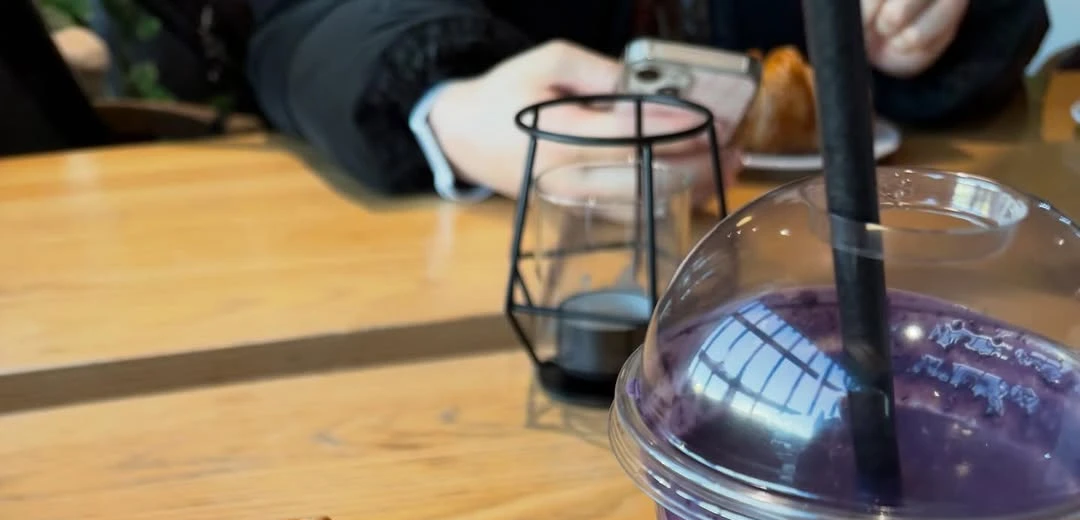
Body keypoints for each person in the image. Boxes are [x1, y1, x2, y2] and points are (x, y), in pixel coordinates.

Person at [20, 1, 1048, 193]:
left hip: (809, 234)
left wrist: (935, 26)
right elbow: (299, 23)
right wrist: (437, 97)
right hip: (480, 248)